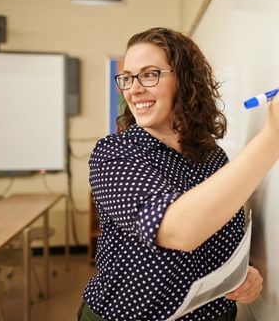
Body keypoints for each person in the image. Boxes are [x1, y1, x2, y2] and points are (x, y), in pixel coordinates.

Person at [78, 27, 277, 321]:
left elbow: (217, 239)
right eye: (127, 78)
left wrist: (242, 276)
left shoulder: (213, 158)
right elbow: (179, 230)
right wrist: (272, 139)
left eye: (149, 74)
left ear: (185, 80)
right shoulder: (114, 153)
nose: (133, 89)